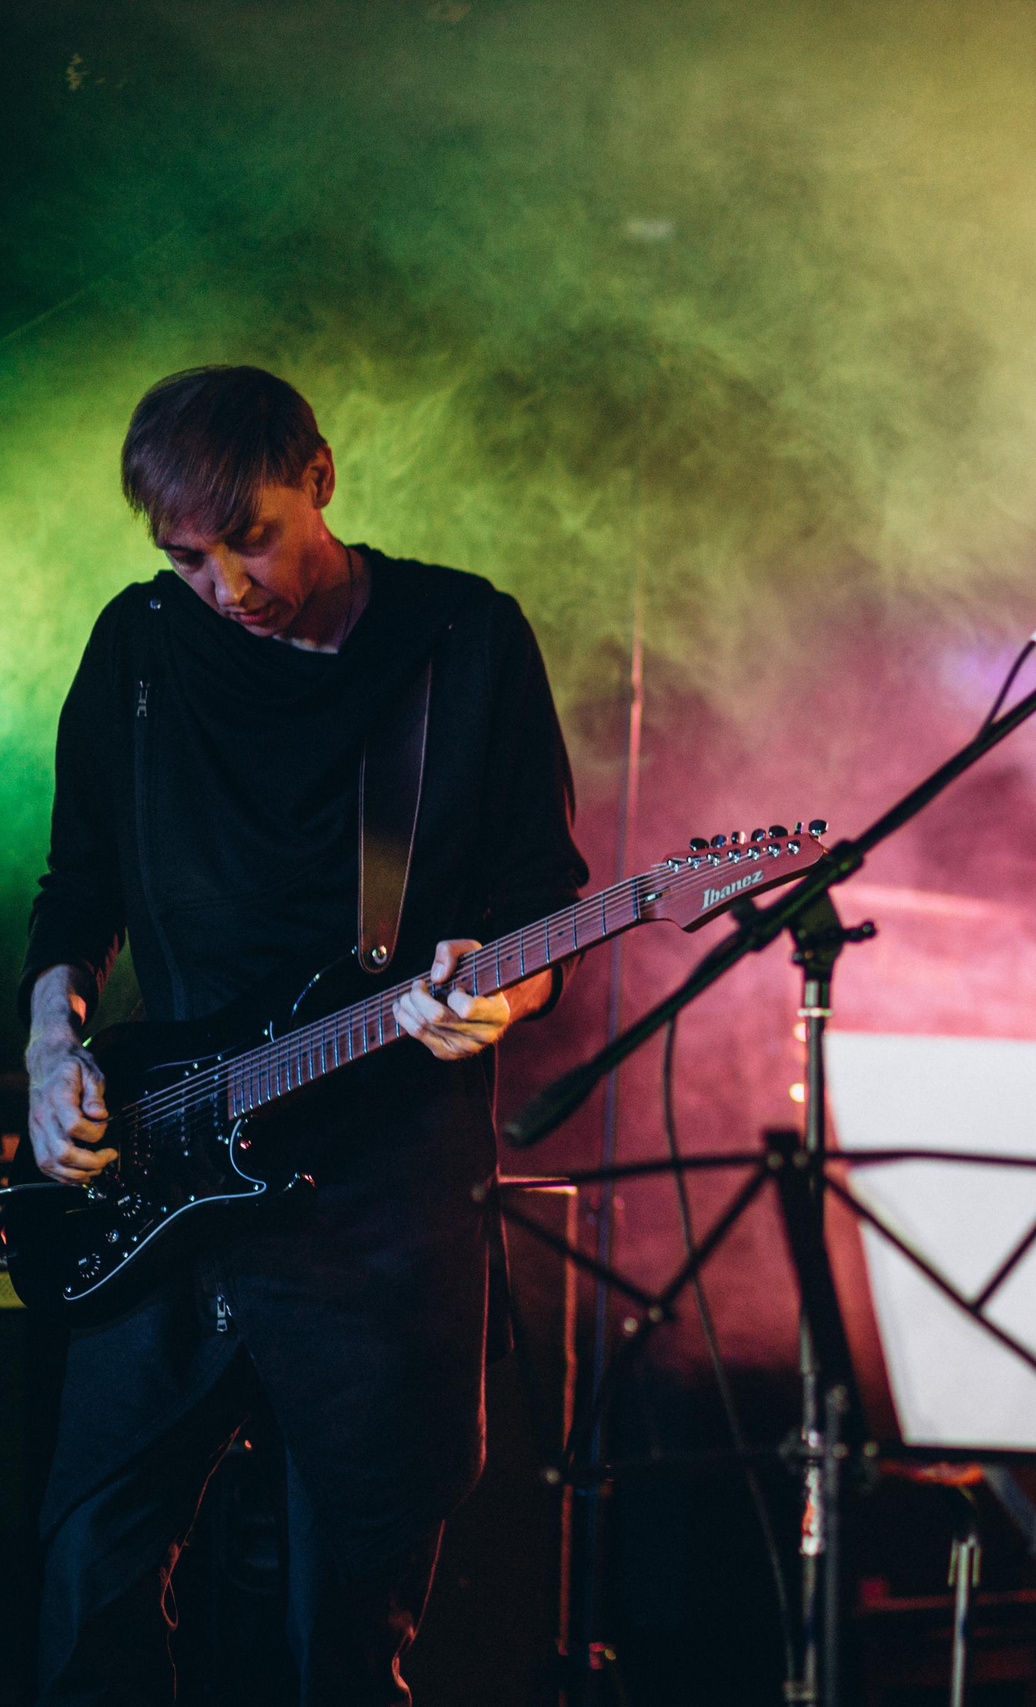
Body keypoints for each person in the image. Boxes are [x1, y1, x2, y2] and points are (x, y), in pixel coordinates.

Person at [17, 365, 588, 1704]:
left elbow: (546, 910)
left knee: (337, 1643)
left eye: (252, 536)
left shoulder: (463, 640)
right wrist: (54, 1056)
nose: (228, 584)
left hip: (379, 1215)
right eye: (187, 555)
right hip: (164, 1181)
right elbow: (75, 896)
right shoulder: (142, 647)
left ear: (320, 476)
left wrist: (507, 993)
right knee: (83, 1597)